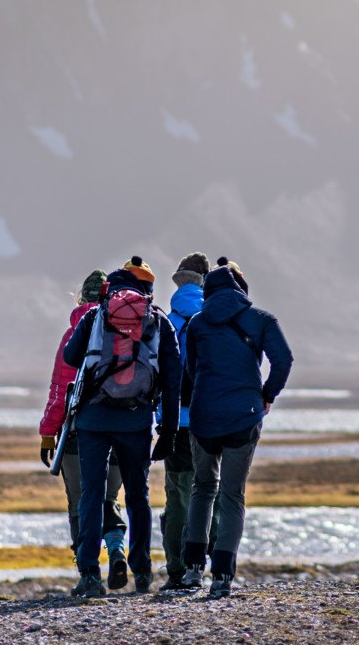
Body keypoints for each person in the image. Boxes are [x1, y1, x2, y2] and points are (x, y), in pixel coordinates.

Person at [60, 256, 181, 597]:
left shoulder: (97, 314)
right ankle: (141, 571)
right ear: (148, 289)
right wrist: (168, 431)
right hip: (136, 421)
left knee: (92, 494)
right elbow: (173, 381)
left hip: (93, 421)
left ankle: (89, 575)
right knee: (137, 496)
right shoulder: (157, 320)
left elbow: (71, 357)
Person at [175, 258, 292, 600]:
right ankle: (223, 574)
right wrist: (267, 394)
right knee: (232, 494)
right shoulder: (261, 320)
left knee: (202, 487)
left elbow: (192, 371)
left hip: (204, 416)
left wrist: (205, 395)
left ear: (207, 292)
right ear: (240, 290)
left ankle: (192, 569)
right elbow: (283, 361)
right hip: (244, 414)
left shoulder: (197, 324)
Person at [38, 270, 128, 588]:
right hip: (123, 427)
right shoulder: (126, 329)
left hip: (78, 431)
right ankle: (117, 550)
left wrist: (48, 432)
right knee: (109, 497)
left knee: (79, 501)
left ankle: (88, 574)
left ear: (81, 298)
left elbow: (60, 390)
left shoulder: (73, 332)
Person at [156, 252, 219, 591]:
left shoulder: (168, 320)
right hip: (211, 421)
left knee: (179, 494)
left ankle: (178, 570)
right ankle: (213, 564)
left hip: (175, 424)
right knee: (213, 490)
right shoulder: (216, 318)